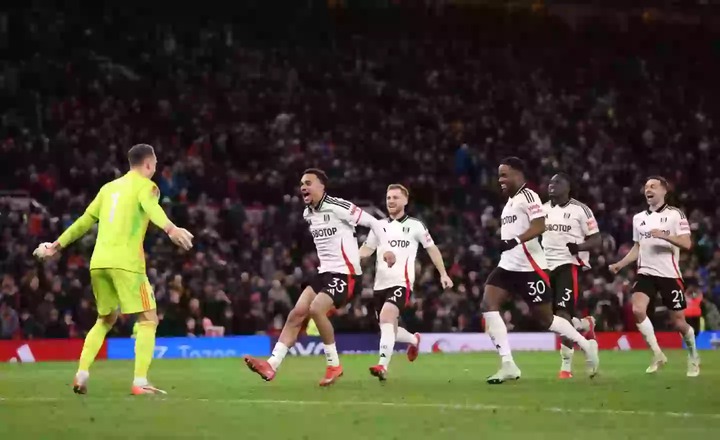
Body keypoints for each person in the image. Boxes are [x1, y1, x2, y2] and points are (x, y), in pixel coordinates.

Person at [33, 144, 194, 395]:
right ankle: (140, 382)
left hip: (99, 263)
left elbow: (84, 221)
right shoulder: (147, 187)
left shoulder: (108, 189)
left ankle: (82, 374)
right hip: (127, 264)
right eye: (155, 164)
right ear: (149, 164)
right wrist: (171, 229)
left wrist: (56, 245)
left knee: (105, 319)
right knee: (148, 318)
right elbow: (152, 208)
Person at [243, 169, 396, 386]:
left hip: (346, 275)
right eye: (301, 183)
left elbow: (375, 223)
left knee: (316, 309)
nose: (303, 187)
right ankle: (272, 364)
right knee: (296, 314)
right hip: (324, 274)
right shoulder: (308, 213)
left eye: (308, 183)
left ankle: (334, 365)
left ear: (322, 186)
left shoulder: (338, 206)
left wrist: (387, 249)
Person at [482, 157, 599, 384]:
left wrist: (514, 240)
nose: (501, 180)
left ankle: (586, 346)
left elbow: (539, 225)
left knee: (547, 319)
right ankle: (508, 364)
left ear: (518, 174)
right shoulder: (509, 202)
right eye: (499, 176)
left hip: (529, 267)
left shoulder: (529, 196)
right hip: (508, 264)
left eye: (505, 175)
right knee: (488, 304)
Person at [359, 184, 453, 381]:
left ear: (405, 201)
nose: (391, 201)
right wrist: (349, 261)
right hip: (379, 285)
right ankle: (413, 339)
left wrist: (443, 273)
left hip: (402, 282)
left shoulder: (415, 226)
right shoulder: (379, 226)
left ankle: (382, 365)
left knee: (386, 317)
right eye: (388, 198)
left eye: (395, 197)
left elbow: (432, 249)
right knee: (388, 327)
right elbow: (367, 250)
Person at [609, 176, 700, 377]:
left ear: (664, 191)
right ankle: (657, 354)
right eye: (646, 186)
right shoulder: (638, 218)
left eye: (653, 186)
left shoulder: (676, 215)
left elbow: (687, 244)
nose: (648, 189)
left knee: (678, 322)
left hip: (669, 274)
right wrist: (620, 264)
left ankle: (693, 355)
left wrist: (665, 235)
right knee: (638, 309)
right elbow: (637, 247)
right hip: (646, 272)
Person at [542, 173, 601, 379]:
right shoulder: (542, 209)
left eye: (557, 182)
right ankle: (584, 325)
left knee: (563, 315)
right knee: (547, 318)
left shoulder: (580, 210)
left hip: (568, 266)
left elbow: (597, 239)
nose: (552, 185)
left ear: (568, 187)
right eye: (550, 182)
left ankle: (566, 367)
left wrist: (579, 247)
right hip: (544, 267)